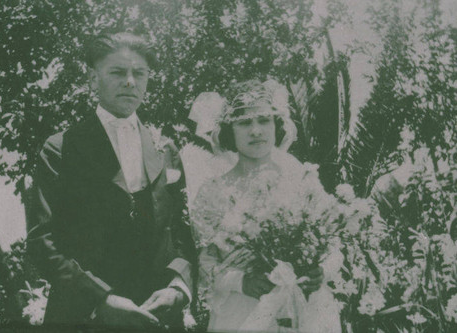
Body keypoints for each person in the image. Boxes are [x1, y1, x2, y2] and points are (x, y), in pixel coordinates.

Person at [27, 31, 195, 329]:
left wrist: (177, 287)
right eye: (118, 72)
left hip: (157, 316)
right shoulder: (61, 148)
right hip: (83, 316)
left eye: (139, 73)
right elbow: (43, 241)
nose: (130, 81)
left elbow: (182, 232)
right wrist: (99, 299)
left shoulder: (165, 148)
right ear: (93, 79)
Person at [190, 79, 342, 332]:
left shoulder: (302, 179)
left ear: (276, 124)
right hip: (243, 311)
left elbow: (334, 242)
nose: (256, 131)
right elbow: (205, 262)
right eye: (245, 123)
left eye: (263, 120)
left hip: (306, 309)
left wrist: (323, 270)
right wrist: (241, 282)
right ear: (230, 130)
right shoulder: (214, 191)